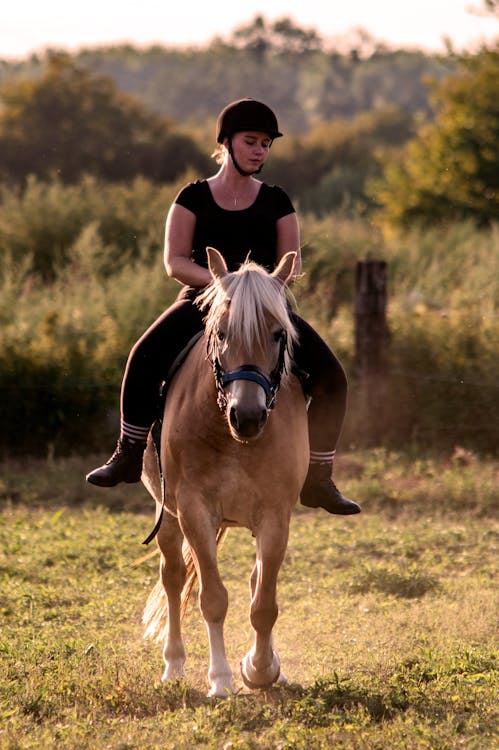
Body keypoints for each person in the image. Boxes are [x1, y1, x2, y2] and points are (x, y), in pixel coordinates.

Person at [86, 98, 360, 516]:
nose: (259, 151)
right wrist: (223, 285)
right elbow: (174, 261)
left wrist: (256, 290)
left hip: (267, 307)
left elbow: (293, 263)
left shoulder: (277, 201)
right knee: (143, 355)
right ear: (226, 143)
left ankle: (319, 478)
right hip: (204, 301)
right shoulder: (193, 197)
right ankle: (128, 452)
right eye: (251, 142)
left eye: (266, 144)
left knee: (333, 377)